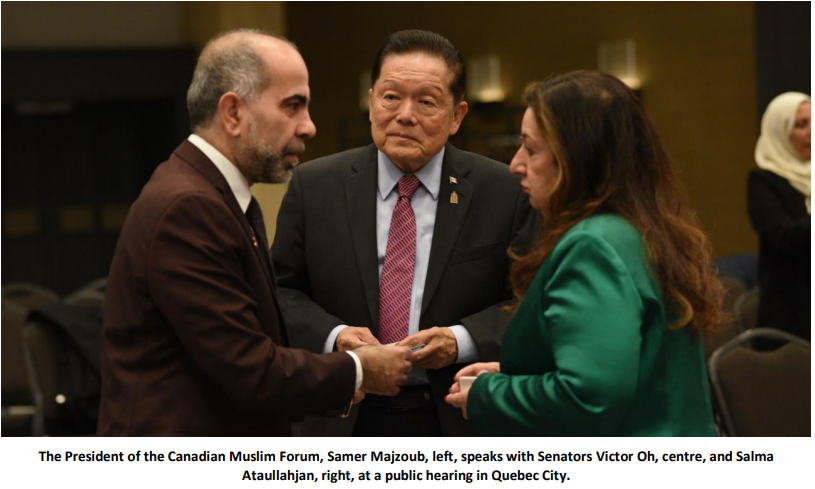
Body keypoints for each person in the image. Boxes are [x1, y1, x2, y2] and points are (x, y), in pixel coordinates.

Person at [97, 30, 411, 437]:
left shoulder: (213, 194)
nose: (309, 127)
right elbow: (250, 369)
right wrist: (360, 370)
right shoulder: (189, 207)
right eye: (293, 106)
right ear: (233, 113)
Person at [272, 30, 536, 437]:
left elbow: (530, 301)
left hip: (457, 414)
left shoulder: (502, 190)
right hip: (343, 413)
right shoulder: (316, 185)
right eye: (391, 97)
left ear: (457, 116)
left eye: (427, 102)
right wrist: (337, 337)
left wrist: (462, 339)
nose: (405, 115)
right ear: (373, 101)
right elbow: (281, 292)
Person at [445, 71, 724, 436]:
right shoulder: (642, 230)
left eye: (530, 149)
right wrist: (520, 375)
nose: (515, 164)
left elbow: (589, 396)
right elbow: (637, 369)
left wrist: (489, 393)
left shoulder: (593, 246)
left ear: (575, 159)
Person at [748, 92, 811, 341]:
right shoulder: (763, 182)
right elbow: (784, 239)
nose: (811, 132)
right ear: (780, 131)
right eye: (801, 124)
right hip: (791, 310)